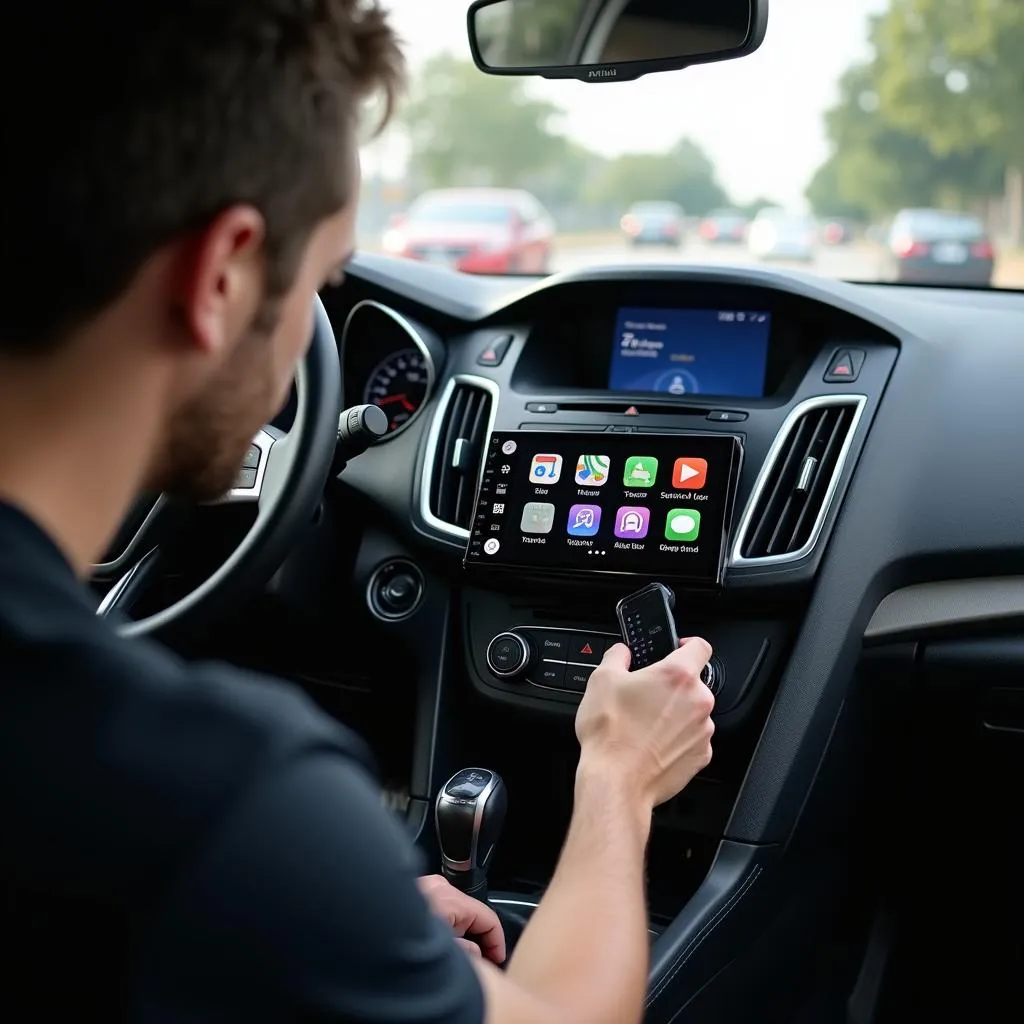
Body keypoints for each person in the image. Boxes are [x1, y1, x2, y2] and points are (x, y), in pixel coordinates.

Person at [0, 3, 716, 1022]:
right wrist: (618, 776)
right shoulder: (228, 811)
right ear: (221, 276)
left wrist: (345, 913)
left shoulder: (248, 860)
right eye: (325, 279)